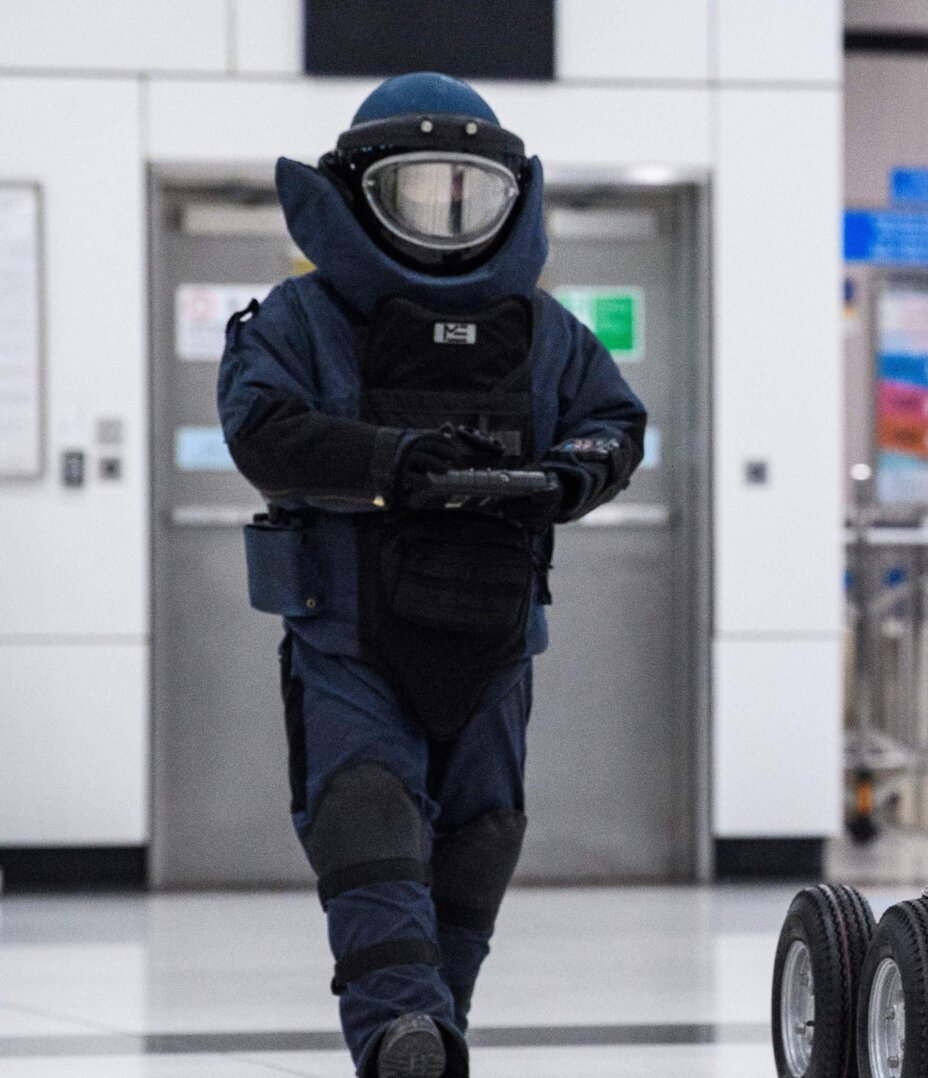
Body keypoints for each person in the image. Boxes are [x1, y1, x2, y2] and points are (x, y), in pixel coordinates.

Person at [217, 72, 646, 1078]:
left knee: (481, 837)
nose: (446, 220)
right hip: (348, 635)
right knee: (368, 815)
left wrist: (572, 473)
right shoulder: (302, 317)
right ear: (358, 192)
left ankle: (425, 1029)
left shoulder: (546, 333)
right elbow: (262, 426)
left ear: (512, 199)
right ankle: (401, 1029)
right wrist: (389, 461)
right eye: (419, 193)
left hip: (497, 641)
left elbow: (614, 424)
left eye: (470, 194)